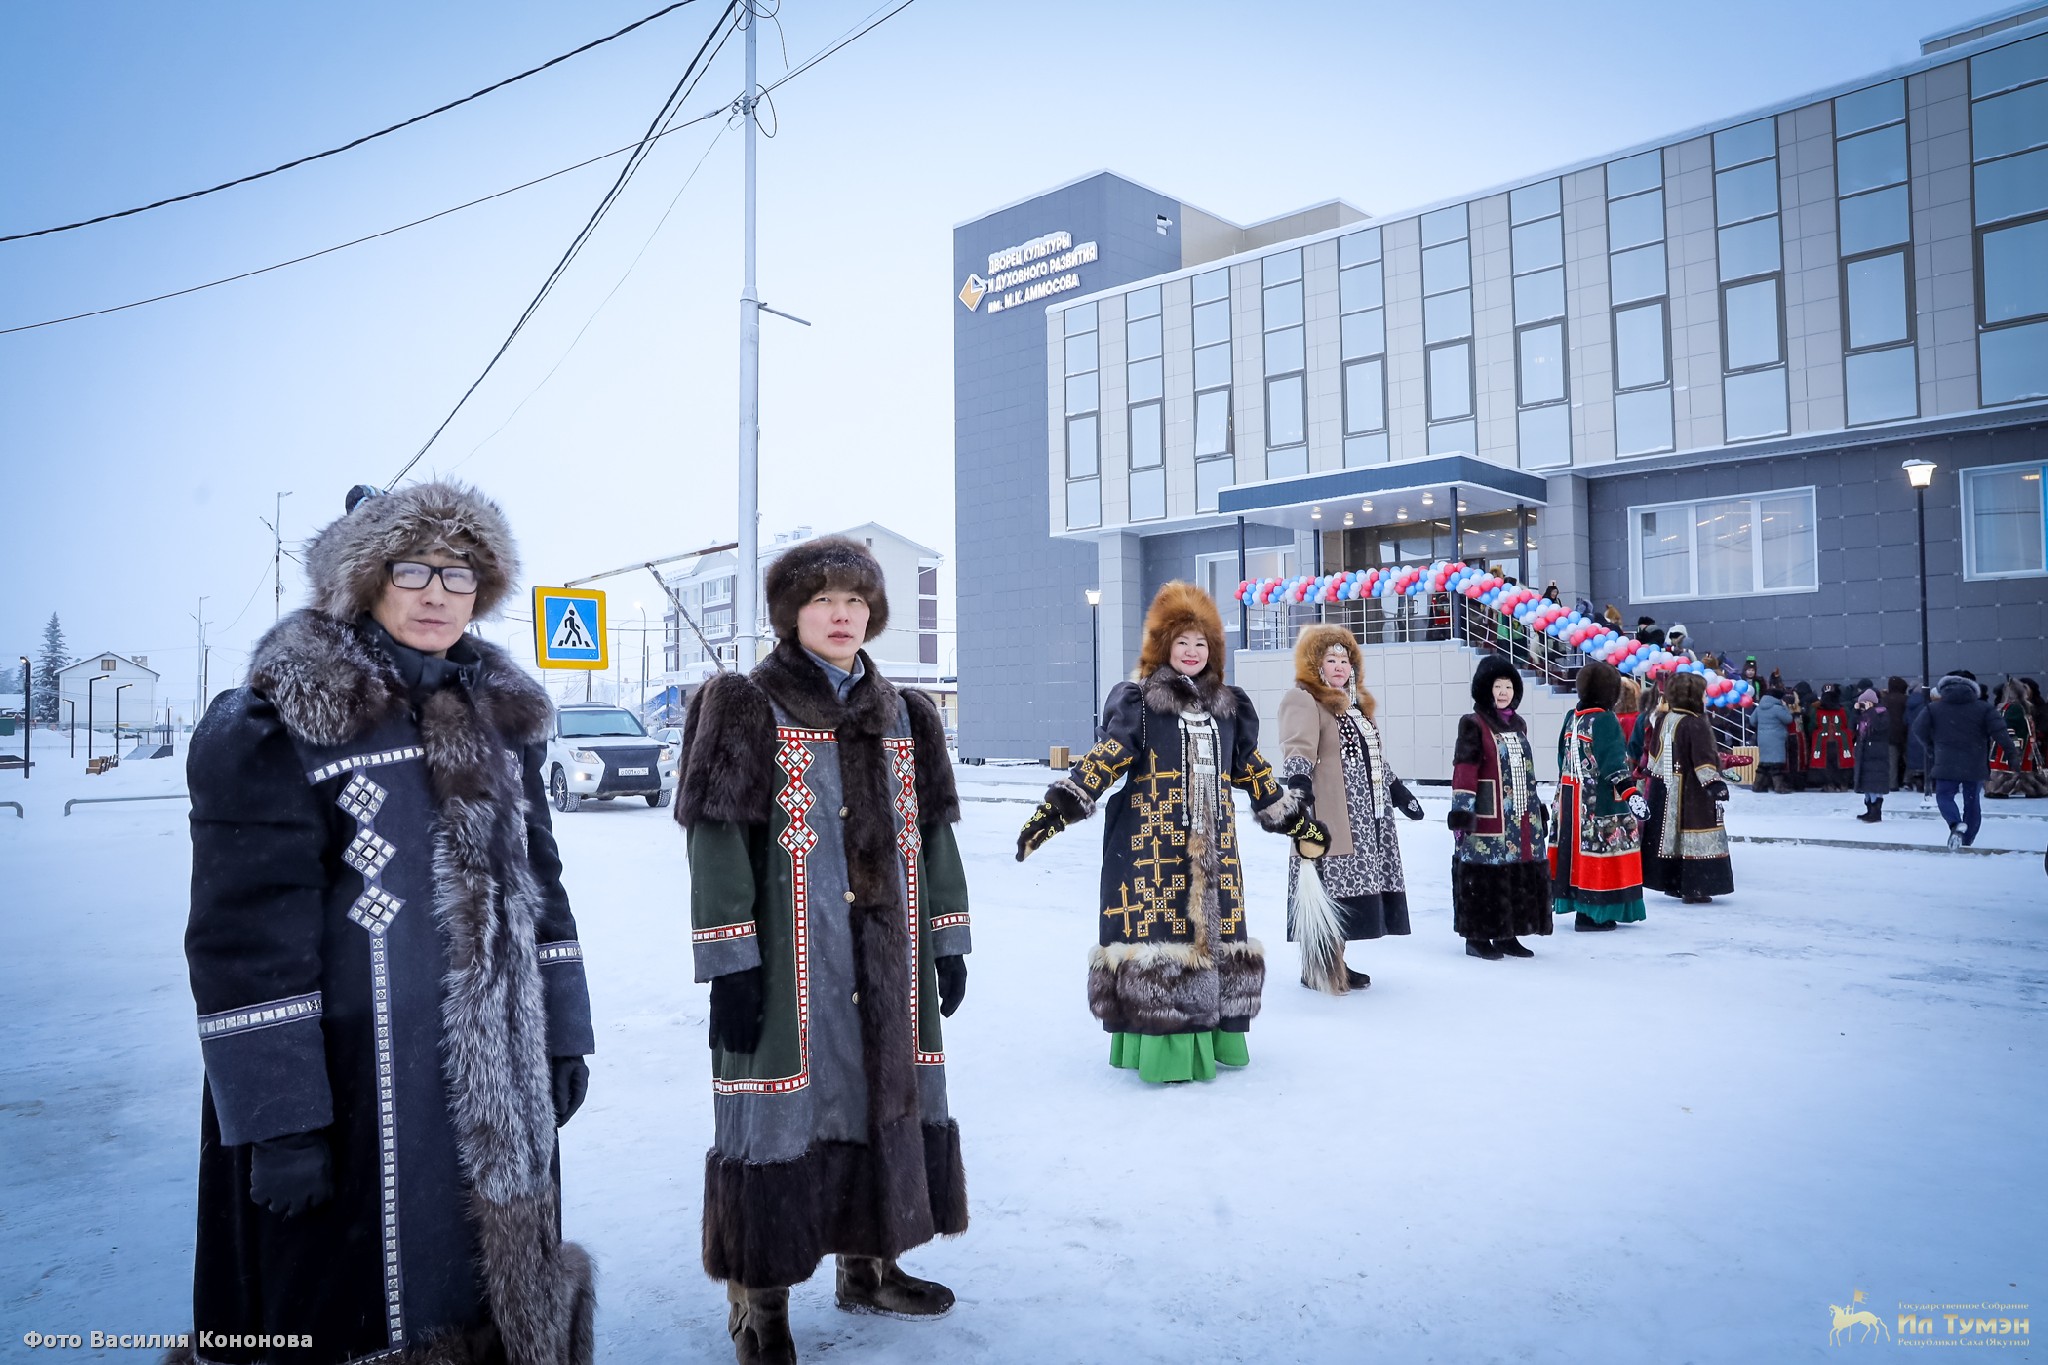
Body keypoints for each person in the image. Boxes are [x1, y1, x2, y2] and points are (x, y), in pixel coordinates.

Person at [182, 482, 597, 1364]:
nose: (438, 590)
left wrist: (562, 1030)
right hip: (350, 1087)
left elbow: (541, 882)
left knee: (496, 1293)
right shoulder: (284, 721)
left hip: (498, 1081)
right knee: (352, 1303)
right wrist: (278, 1117)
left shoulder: (501, 715)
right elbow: (244, 932)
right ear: (363, 580)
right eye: (413, 568)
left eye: (460, 572)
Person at [678, 535, 970, 1362]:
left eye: (855, 601)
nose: (841, 615)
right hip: (788, 966)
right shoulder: (744, 704)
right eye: (821, 601)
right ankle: (758, 1303)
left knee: (884, 1098)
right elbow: (716, 841)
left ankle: (870, 1268)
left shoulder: (908, 715)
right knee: (778, 1117)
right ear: (790, 614)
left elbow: (937, 839)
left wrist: (947, 939)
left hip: (888, 966)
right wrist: (729, 959)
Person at [1016, 581, 1311, 1083]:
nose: (1192, 652)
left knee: (1215, 936)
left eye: (1201, 643)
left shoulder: (1229, 708)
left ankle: (1214, 1036)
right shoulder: (1142, 703)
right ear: (1163, 649)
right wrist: (1059, 807)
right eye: (1182, 643)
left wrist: (1296, 821)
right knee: (1160, 940)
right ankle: (1163, 1050)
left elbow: (1253, 771)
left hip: (1216, 850)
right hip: (1152, 849)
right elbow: (1106, 759)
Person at [1277, 624, 1422, 991]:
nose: (1340, 666)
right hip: (1331, 814)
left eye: (1345, 659)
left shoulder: (1356, 707)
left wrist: (1397, 790)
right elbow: (1297, 748)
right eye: (1331, 659)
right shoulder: (1305, 699)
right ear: (1316, 664)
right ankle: (1318, 968)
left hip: (1367, 817)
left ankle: (1336, 961)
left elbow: (1374, 760)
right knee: (1327, 889)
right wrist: (1298, 785)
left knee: (1348, 894)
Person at [1450, 656, 1552, 958]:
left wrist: (1537, 810)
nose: (1504, 692)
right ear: (1485, 689)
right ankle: (1478, 937)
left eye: (1509, 686)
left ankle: (1509, 933)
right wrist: (1462, 813)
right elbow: (1465, 770)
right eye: (1498, 686)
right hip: (1488, 818)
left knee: (1516, 873)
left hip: (1520, 818)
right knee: (1484, 875)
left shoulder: (1518, 724)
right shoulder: (1473, 724)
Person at [1549, 659, 1650, 932]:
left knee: (1576, 855)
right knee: (1602, 852)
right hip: (1598, 799)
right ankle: (1596, 912)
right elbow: (1614, 763)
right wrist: (1631, 794)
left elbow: (1561, 757)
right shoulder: (1605, 719)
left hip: (1570, 798)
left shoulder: (1573, 716)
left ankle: (1582, 906)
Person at [1639, 672, 1735, 904]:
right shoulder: (1695, 723)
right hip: (1692, 790)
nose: (1705, 698)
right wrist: (1715, 783)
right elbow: (1703, 759)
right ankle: (1696, 887)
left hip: (1665, 788)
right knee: (1694, 837)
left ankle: (1673, 883)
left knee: (1670, 839)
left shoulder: (1664, 719)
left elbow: (1654, 757)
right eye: (1702, 694)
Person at [1910, 670, 2020, 849]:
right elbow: (2000, 732)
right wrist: (2011, 754)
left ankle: (1955, 824)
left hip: (1945, 760)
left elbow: (1918, 729)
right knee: (1972, 801)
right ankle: (1967, 841)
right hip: (1974, 761)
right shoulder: (1983, 708)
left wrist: (1932, 748)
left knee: (1944, 795)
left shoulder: (1934, 708)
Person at [1987, 678, 2046, 798]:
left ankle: (1999, 789)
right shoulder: (2016, 708)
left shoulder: (2008, 707)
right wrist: (2015, 744)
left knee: (2019, 768)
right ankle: (2001, 789)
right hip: (2019, 743)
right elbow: (2010, 726)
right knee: (2015, 768)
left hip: (2017, 743)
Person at [1853, 687, 1893, 820]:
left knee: (1875, 783)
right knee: (1866, 783)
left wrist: (1871, 711)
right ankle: (1869, 809)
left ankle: (1876, 812)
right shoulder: (1863, 716)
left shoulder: (1882, 713)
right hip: (1865, 753)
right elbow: (1852, 727)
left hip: (1877, 753)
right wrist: (1856, 711)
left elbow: (1879, 727)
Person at [1809, 684, 1854, 792]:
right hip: (1841, 740)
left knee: (1826, 764)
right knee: (1841, 763)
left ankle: (1830, 784)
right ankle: (1843, 784)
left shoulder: (1816, 710)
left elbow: (1812, 726)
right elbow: (1849, 724)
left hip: (1823, 740)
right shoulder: (1844, 710)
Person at [1754, 685, 1797, 793]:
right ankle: (1779, 787)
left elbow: (1752, 721)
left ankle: (1757, 786)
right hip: (1776, 739)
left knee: (1763, 763)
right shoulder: (1778, 708)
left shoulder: (1759, 707)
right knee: (1776, 764)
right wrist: (1785, 707)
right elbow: (1788, 719)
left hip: (1762, 738)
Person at [1882, 676, 1911, 790]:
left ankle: (1892, 784)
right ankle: (1907, 780)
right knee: (1909, 759)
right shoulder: (1906, 699)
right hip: (1905, 733)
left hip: (1889, 734)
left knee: (1891, 761)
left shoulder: (1885, 700)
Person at [1903, 682, 1931, 792]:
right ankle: (1925, 782)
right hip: (1924, 734)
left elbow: (1904, 720)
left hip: (1912, 734)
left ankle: (1916, 780)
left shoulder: (1909, 703)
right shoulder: (1926, 703)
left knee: (1914, 759)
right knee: (1926, 759)